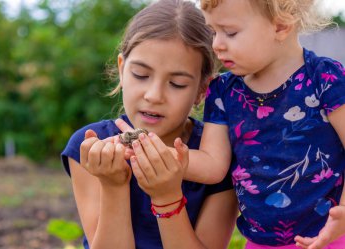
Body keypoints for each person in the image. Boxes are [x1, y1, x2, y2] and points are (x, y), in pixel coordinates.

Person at [116, 0, 345, 248]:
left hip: (330, 236)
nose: (216, 45)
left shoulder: (325, 79)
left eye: (230, 32)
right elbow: (213, 165)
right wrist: (158, 153)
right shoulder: (224, 91)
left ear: (280, 26)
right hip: (260, 243)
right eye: (213, 32)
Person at [61, 1, 238, 249]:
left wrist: (166, 196)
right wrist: (113, 185)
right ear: (122, 70)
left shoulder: (219, 158)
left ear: (202, 90)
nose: (154, 95)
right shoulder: (90, 147)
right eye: (141, 75)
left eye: (177, 83)